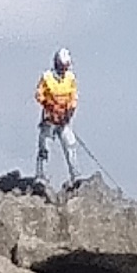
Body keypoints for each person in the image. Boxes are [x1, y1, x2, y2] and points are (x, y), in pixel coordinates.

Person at [35, 47, 80, 189]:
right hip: (49, 119)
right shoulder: (47, 77)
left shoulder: (70, 78)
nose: (63, 69)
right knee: (44, 148)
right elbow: (39, 95)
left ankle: (76, 176)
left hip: (64, 120)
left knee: (70, 145)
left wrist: (69, 113)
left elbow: (73, 98)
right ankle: (41, 177)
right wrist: (49, 105)